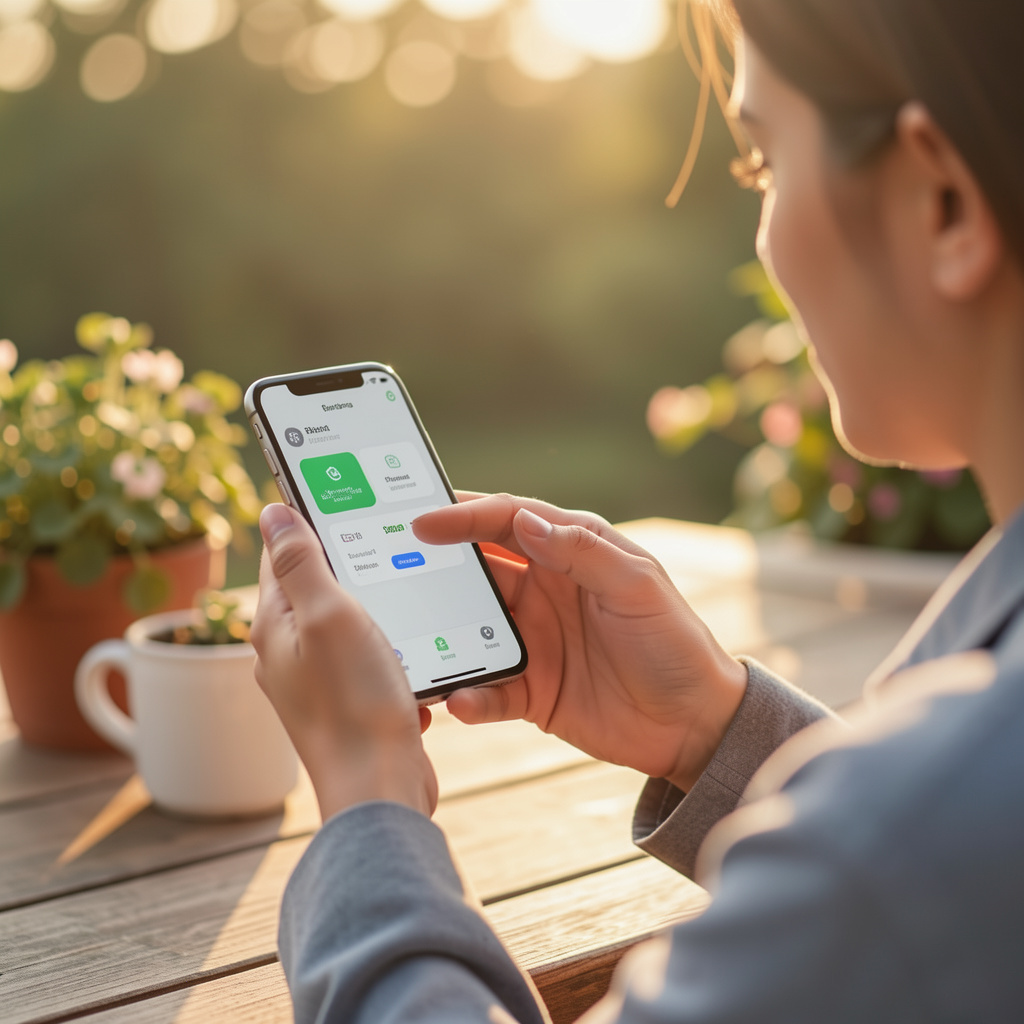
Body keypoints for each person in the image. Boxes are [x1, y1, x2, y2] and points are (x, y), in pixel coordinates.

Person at [250, 0, 1024, 1019]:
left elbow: (908, 864)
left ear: (942, 203)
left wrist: (367, 810)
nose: (763, 222)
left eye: (763, 164)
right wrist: (718, 734)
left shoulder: (932, 817)